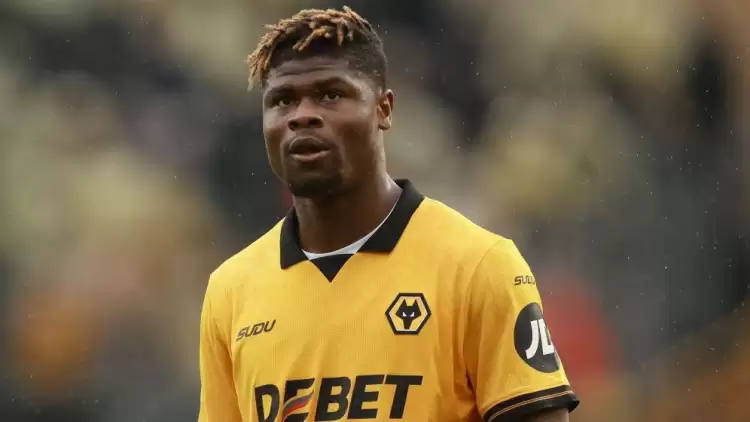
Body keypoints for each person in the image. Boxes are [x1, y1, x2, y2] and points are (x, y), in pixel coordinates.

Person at [198, 6, 579, 422]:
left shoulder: (479, 267)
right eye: (283, 100)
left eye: (331, 95)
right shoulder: (230, 292)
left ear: (384, 109)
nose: (302, 115)